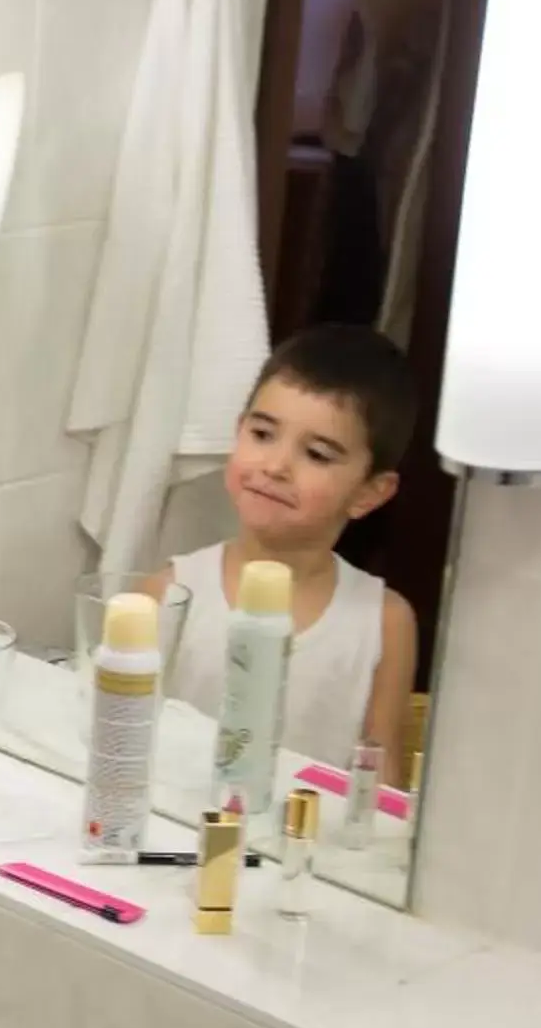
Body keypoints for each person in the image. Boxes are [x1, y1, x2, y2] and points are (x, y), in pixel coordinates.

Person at [169, 327, 419, 781]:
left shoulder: (384, 621)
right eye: (263, 434)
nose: (275, 466)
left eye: (318, 455)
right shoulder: (170, 591)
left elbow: (382, 789)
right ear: (237, 431)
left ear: (369, 492)